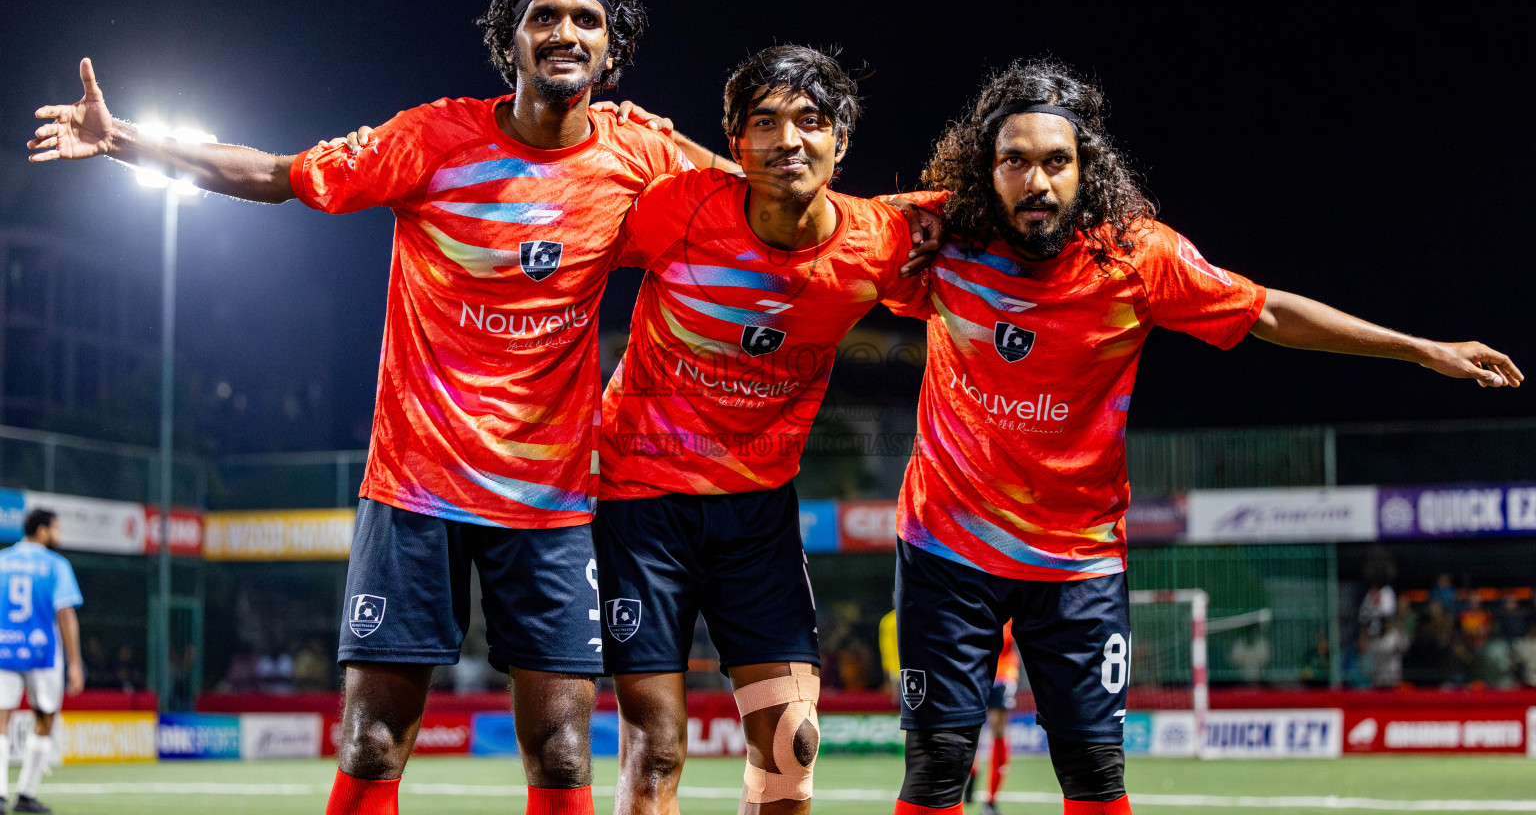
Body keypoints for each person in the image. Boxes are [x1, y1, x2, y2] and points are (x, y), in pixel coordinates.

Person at [29, 0, 693, 815]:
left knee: (566, 753)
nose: (566, 32)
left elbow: (759, 207)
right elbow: (276, 175)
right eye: (545, 16)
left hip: (553, 501)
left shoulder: (640, 156)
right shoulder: (432, 139)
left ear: (614, 48)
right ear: (513, 39)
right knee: (374, 739)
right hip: (417, 488)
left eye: (587, 20)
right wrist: (120, 141)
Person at [887, 59, 1521, 815]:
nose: (1037, 181)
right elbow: (801, 219)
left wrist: (1421, 348)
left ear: (1086, 169)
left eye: (1057, 161)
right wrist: (714, 165)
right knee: (935, 772)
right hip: (947, 548)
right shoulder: (933, 236)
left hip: (1078, 557)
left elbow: (1272, 313)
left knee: (1094, 778)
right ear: (984, 171)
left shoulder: (1135, 256)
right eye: (1015, 161)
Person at [593, 45, 934, 815]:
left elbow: (989, 224)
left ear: (841, 141)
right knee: (657, 748)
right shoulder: (676, 206)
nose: (790, 140)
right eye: (765, 123)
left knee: (792, 746)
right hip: (641, 498)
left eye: (812, 122)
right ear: (734, 140)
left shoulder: (877, 241)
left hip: (758, 510)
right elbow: (567, 244)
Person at [0, 509, 84, 814]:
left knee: (1, 721)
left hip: (3, 650)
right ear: (43, 530)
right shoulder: (56, 565)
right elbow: (65, 614)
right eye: (56, 529)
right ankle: (25, 794)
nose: (59, 536)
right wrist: (75, 662)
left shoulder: (2, 561)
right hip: (43, 654)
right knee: (45, 719)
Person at [964, 620, 1019, 815]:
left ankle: (991, 800)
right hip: (976, 668)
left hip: (1003, 671)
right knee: (969, 724)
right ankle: (972, 769)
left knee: (998, 728)